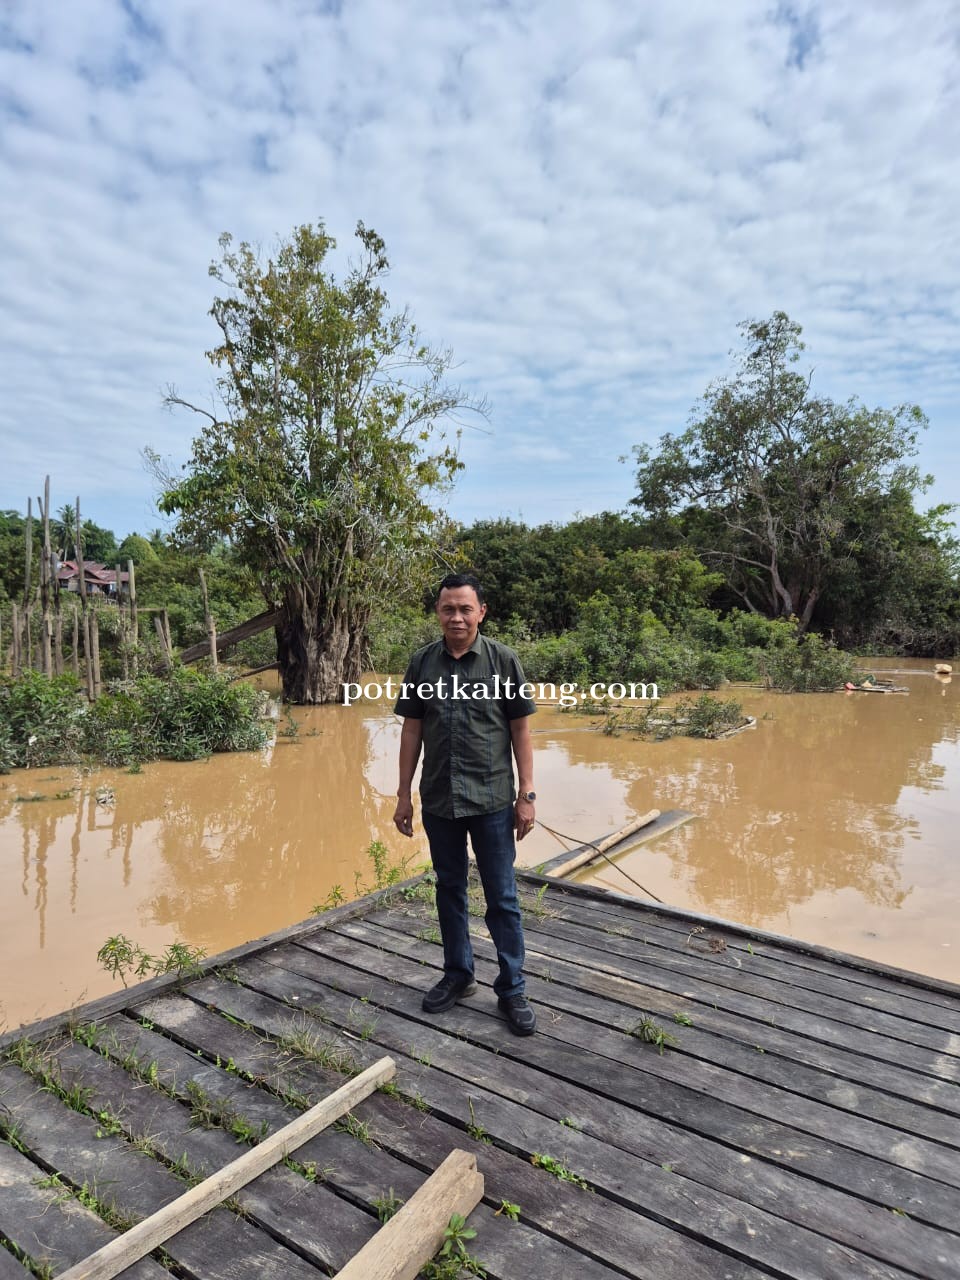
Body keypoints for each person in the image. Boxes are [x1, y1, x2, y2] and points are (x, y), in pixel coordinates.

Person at [392, 572, 538, 1035]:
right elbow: (412, 730)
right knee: (449, 890)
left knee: (503, 898)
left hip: (493, 800)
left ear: (481, 612)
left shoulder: (503, 662)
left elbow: (521, 731)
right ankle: (458, 975)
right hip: (439, 800)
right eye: (447, 608)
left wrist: (527, 795)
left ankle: (512, 988)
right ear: (438, 612)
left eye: (465, 608)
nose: (456, 616)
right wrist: (403, 794)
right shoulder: (421, 664)